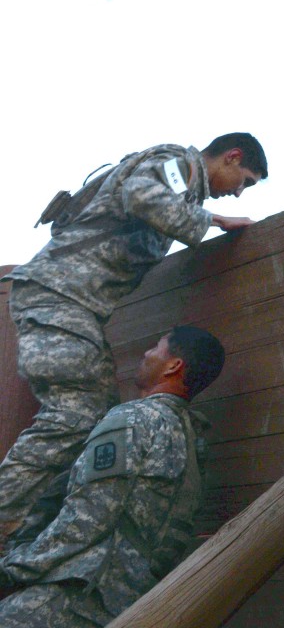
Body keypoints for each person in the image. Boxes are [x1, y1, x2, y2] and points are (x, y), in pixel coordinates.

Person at [0, 134, 266, 550]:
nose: (237, 192)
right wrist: (212, 222)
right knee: (75, 414)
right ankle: (6, 521)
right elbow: (143, 195)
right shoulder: (182, 165)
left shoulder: (185, 187)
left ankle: (26, 534)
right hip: (59, 297)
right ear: (232, 157)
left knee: (96, 419)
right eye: (244, 180)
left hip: (73, 305)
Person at [0, 324, 224, 628]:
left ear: (173, 366)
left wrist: (13, 569)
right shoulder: (190, 441)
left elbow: (86, 518)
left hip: (65, 604)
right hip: (118, 617)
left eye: (155, 346)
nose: (145, 354)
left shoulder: (132, 420)